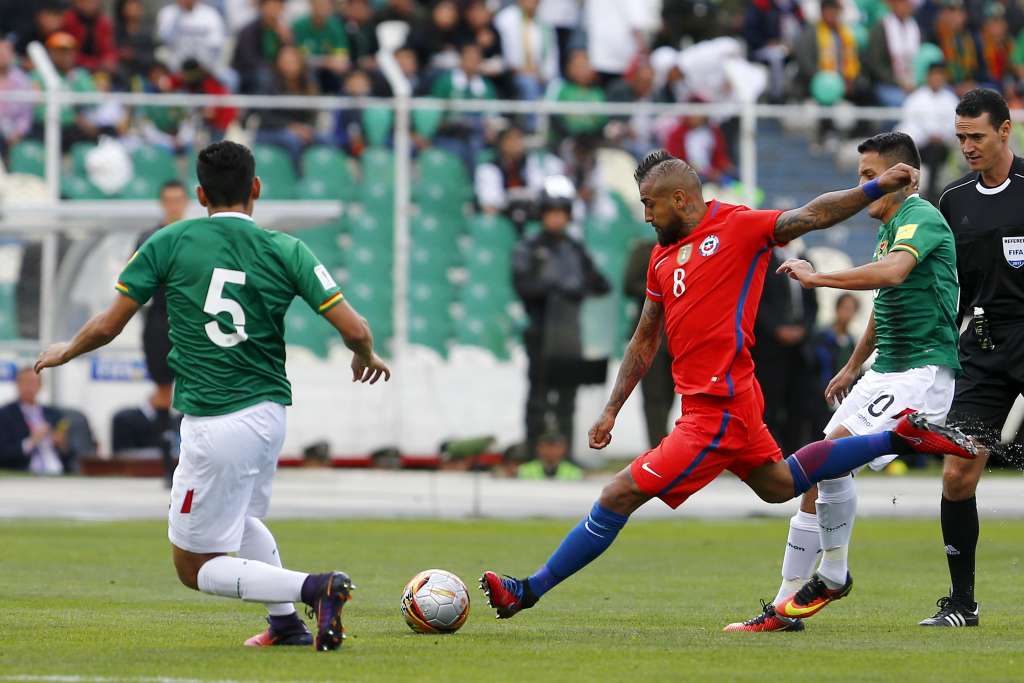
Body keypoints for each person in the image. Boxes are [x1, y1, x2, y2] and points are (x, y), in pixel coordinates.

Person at [479, 149, 976, 620]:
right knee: (780, 485)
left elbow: (813, 215)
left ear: (679, 199)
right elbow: (643, 341)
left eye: (650, 204)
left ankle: (527, 591)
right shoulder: (660, 259)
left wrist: (872, 188)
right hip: (724, 403)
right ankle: (898, 437)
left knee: (617, 494)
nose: (646, 216)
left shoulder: (738, 226)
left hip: (716, 409)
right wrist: (611, 409)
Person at [33, 140, 391, 650]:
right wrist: (365, 354)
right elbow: (353, 327)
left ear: (200, 194)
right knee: (242, 521)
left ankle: (316, 587)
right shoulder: (287, 248)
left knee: (192, 565)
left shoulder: (169, 241)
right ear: (256, 189)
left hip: (215, 419)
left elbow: (110, 325)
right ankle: (286, 623)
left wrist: (67, 349)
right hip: (269, 413)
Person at [725, 132, 961, 632]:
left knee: (825, 457)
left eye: (868, 176)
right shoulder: (892, 223)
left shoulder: (920, 217)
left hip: (921, 372)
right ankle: (789, 603)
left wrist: (819, 279)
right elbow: (887, 304)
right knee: (820, 471)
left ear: (899, 175)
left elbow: (893, 274)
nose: (862, 187)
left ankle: (832, 573)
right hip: (885, 370)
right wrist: (854, 365)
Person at [920, 88, 1024, 627]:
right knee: (957, 476)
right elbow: (942, 282)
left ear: (1005, 131)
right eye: (961, 138)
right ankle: (962, 603)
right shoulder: (952, 198)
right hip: (982, 344)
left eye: (977, 136)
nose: (968, 147)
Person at [512, 176, 610, 460]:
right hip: (541, 333)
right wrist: (555, 287)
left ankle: (566, 455)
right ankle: (533, 453)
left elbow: (601, 284)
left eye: (561, 213)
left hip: (570, 335)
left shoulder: (575, 248)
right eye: (551, 212)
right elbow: (522, 286)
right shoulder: (529, 247)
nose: (556, 219)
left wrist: (578, 286)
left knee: (568, 397)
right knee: (539, 397)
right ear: (542, 214)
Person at [134, 179, 189, 486]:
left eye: (178, 199)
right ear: (162, 203)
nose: (173, 205)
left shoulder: (194, 237)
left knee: (192, 389)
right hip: (158, 321)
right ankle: (168, 464)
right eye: (168, 200)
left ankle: (189, 460)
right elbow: (136, 284)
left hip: (190, 322)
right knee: (163, 391)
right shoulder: (148, 238)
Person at [753, 244, 818, 456]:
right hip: (769, 349)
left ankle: (793, 456)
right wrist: (776, 329)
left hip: (799, 348)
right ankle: (769, 455)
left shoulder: (803, 259)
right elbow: (757, 301)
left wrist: (803, 330)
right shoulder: (763, 261)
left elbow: (812, 304)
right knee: (769, 404)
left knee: (798, 404)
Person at [623, 237, 673, 449]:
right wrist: (663, 285)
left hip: (677, 333)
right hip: (650, 332)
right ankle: (658, 446)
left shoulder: (692, 248)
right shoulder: (646, 249)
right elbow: (629, 284)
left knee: (671, 392)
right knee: (653, 394)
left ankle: (666, 442)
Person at [899, 62, 959, 202]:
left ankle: (934, 197)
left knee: (937, 151)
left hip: (944, 147)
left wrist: (942, 136)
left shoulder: (951, 100)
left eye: (940, 76)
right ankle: (927, 197)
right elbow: (909, 125)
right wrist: (928, 136)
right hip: (920, 147)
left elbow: (955, 125)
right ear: (928, 77)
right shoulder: (915, 99)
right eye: (934, 75)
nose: (937, 79)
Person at [0, 367, 77, 474]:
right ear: (17, 384)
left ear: (40, 386)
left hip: (58, 471)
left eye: (33, 382)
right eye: (25, 382)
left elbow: (72, 454)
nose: (29, 387)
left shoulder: (54, 414)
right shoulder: (5, 414)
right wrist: (31, 442)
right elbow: (3, 453)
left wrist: (61, 444)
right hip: (24, 473)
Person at [811, 292, 860, 428]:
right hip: (820, 396)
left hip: (842, 397)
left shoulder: (851, 341)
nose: (847, 313)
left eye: (851, 310)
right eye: (845, 308)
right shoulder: (822, 335)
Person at [862, 0, 920, 108]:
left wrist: (913, 83)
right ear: (894, 5)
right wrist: (898, 82)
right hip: (885, 83)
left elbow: (918, 60)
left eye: (908, 4)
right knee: (901, 103)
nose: (906, 7)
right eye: (902, 3)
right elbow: (875, 64)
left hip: (911, 83)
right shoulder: (881, 27)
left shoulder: (914, 27)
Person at [233, 0, 292, 94]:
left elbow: (291, 56)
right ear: (262, 7)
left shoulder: (283, 31)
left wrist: (286, 41)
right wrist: (273, 68)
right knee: (265, 75)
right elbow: (248, 59)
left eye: (278, 6)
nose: (274, 10)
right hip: (247, 72)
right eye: (271, 6)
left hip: (274, 71)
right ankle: (262, 108)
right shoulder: (248, 30)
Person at [62, 0, 118, 73]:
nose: (91, 4)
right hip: (74, 68)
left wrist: (109, 60)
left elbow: (109, 49)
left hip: (99, 70)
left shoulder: (104, 22)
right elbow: (68, 54)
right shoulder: (68, 20)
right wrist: (96, 64)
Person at [517, 431, 583, 480]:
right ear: (538, 448)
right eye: (547, 446)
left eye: (556, 447)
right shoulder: (524, 470)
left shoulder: (574, 472)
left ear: (564, 449)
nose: (551, 451)